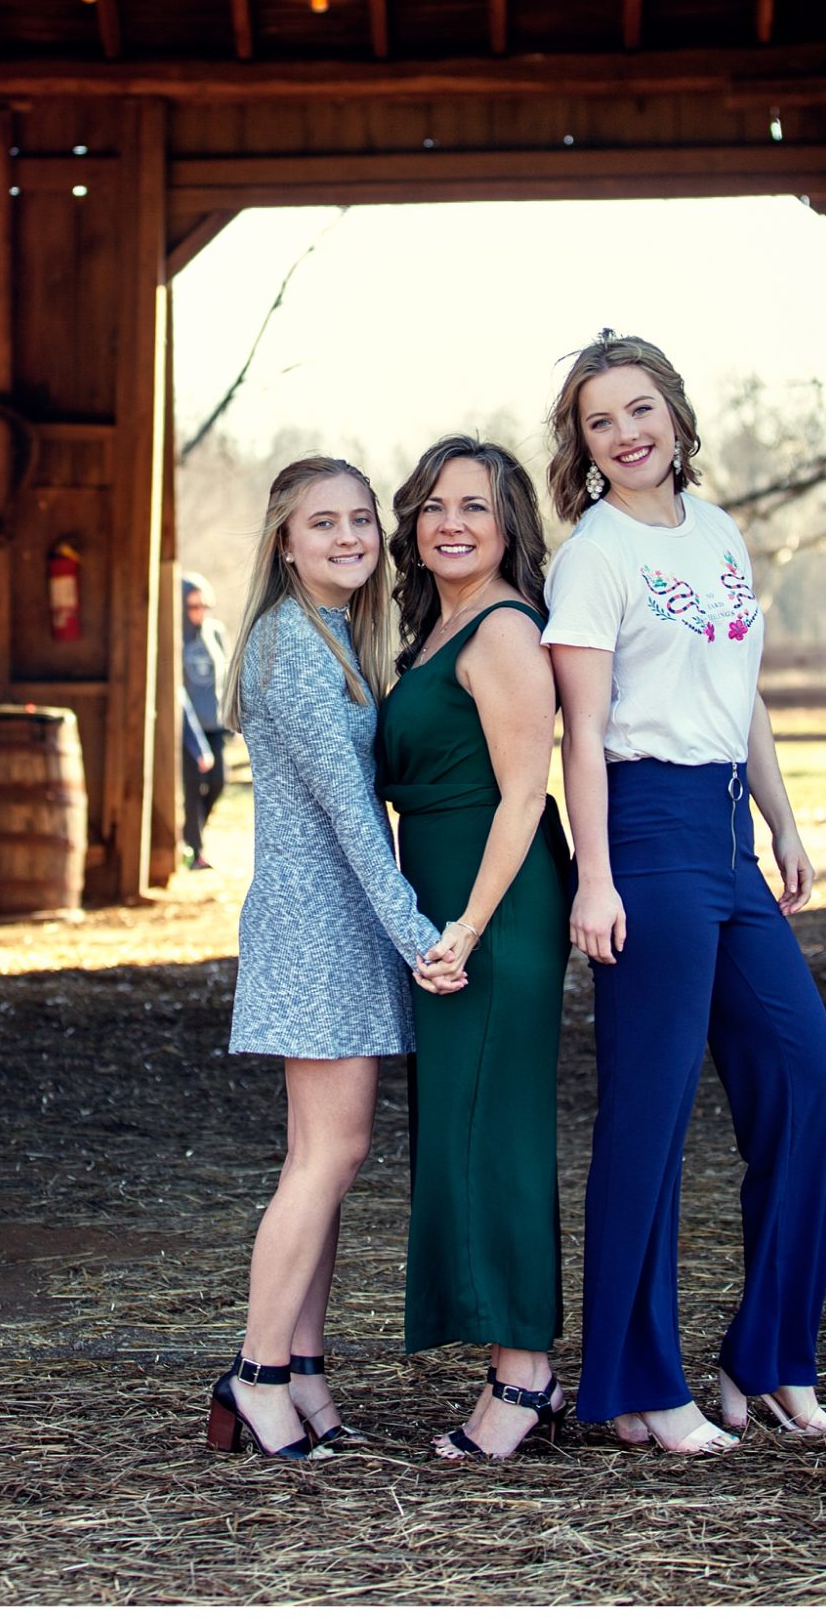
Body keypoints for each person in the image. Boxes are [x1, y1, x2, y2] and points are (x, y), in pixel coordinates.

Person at [543, 330, 826, 1455]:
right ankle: (635, 1383)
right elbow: (582, 730)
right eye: (598, 421)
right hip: (648, 829)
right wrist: (596, 874)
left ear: (674, 410)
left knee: (811, 1087)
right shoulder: (595, 555)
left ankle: (766, 1361)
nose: (625, 433)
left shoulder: (717, 533)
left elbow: (744, 690)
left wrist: (781, 816)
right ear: (581, 447)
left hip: (726, 830)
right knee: (651, 1115)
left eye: (639, 408)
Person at [205, 455, 471, 1462]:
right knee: (328, 1155)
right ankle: (258, 1372)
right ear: (285, 540)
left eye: (362, 519)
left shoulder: (333, 639)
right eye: (325, 523)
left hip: (334, 925)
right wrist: (419, 937)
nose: (351, 537)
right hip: (320, 928)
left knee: (323, 1155)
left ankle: (304, 1368)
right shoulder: (294, 650)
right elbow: (354, 819)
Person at [377, 436, 572, 1461]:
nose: (451, 521)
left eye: (477, 506)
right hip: (449, 901)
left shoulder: (502, 630)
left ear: (508, 528)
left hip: (496, 905)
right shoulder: (430, 626)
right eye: (435, 504)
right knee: (461, 1124)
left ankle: (525, 1378)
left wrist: (468, 924)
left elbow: (524, 793)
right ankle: (509, 1355)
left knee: (497, 1130)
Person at [181, 572, 230, 870]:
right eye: (192, 606)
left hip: (215, 724)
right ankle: (194, 849)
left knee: (217, 784)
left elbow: (223, 677)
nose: (199, 612)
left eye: (203, 606)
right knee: (191, 789)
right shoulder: (176, 636)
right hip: (188, 727)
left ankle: (190, 831)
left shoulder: (215, 632)